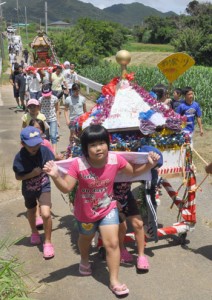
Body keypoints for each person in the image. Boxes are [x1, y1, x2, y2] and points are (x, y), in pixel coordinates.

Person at [43, 124, 160, 296]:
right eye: (92, 145)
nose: (98, 148)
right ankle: (84, 259)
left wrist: (150, 164)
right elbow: (67, 187)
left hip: (108, 208)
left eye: (102, 143)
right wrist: (55, 176)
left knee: (112, 243)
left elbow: (132, 173)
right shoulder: (78, 164)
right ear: (85, 148)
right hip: (86, 213)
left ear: (108, 143)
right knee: (85, 238)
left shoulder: (115, 159)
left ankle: (114, 281)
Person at [13, 126, 55, 259]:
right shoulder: (19, 157)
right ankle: (34, 232)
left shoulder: (44, 150)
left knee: (46, 213)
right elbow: (18, 177)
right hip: (28, 189)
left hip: (44, 186)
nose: (35, 147)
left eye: (37, 143)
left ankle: (48, 242)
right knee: (31, 211)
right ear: (23, 143)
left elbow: (53, 163)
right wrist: (32, 173)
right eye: (31, 145)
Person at [113, 182, 149, 270]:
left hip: (127, 196)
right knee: (122, 226)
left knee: (138, 223)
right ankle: (121, 248)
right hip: (111, 199)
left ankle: (141, 255)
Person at [38, 83, 60, 155]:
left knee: (53, 136)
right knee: (46, 138)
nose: (47, 97)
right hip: (44, 120)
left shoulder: (55, 98)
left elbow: (57, 110)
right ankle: (47, 151)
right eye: (45, 95)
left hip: (53, 119)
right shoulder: (40, 99)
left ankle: (53, 152)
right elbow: (39, 110)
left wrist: (58, 120)